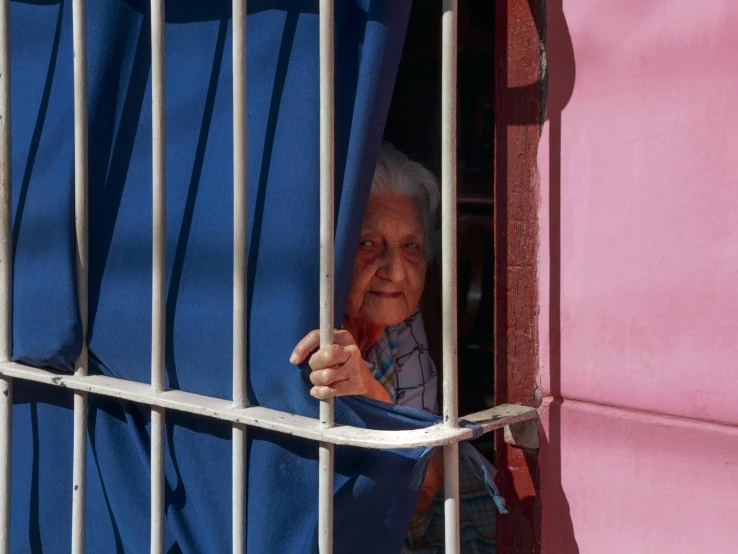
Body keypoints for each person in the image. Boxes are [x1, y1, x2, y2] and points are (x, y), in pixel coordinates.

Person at [290, 143, 499, 552]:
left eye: (411, 246)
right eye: (368, 244)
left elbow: (424, 488)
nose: (396, 272)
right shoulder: (298, 322)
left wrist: (369, 395)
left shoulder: (399, 318)